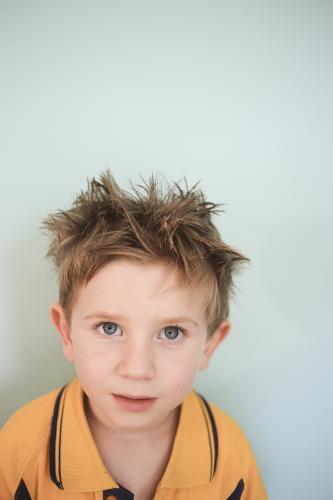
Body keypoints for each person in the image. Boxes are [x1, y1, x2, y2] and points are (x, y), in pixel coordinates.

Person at [0, 171, 268, 500]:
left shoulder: (230, 455)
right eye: (109, 328)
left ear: (210, 344)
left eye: (171, 332)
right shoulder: (21, 447)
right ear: (66, 332)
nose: (137, 369)